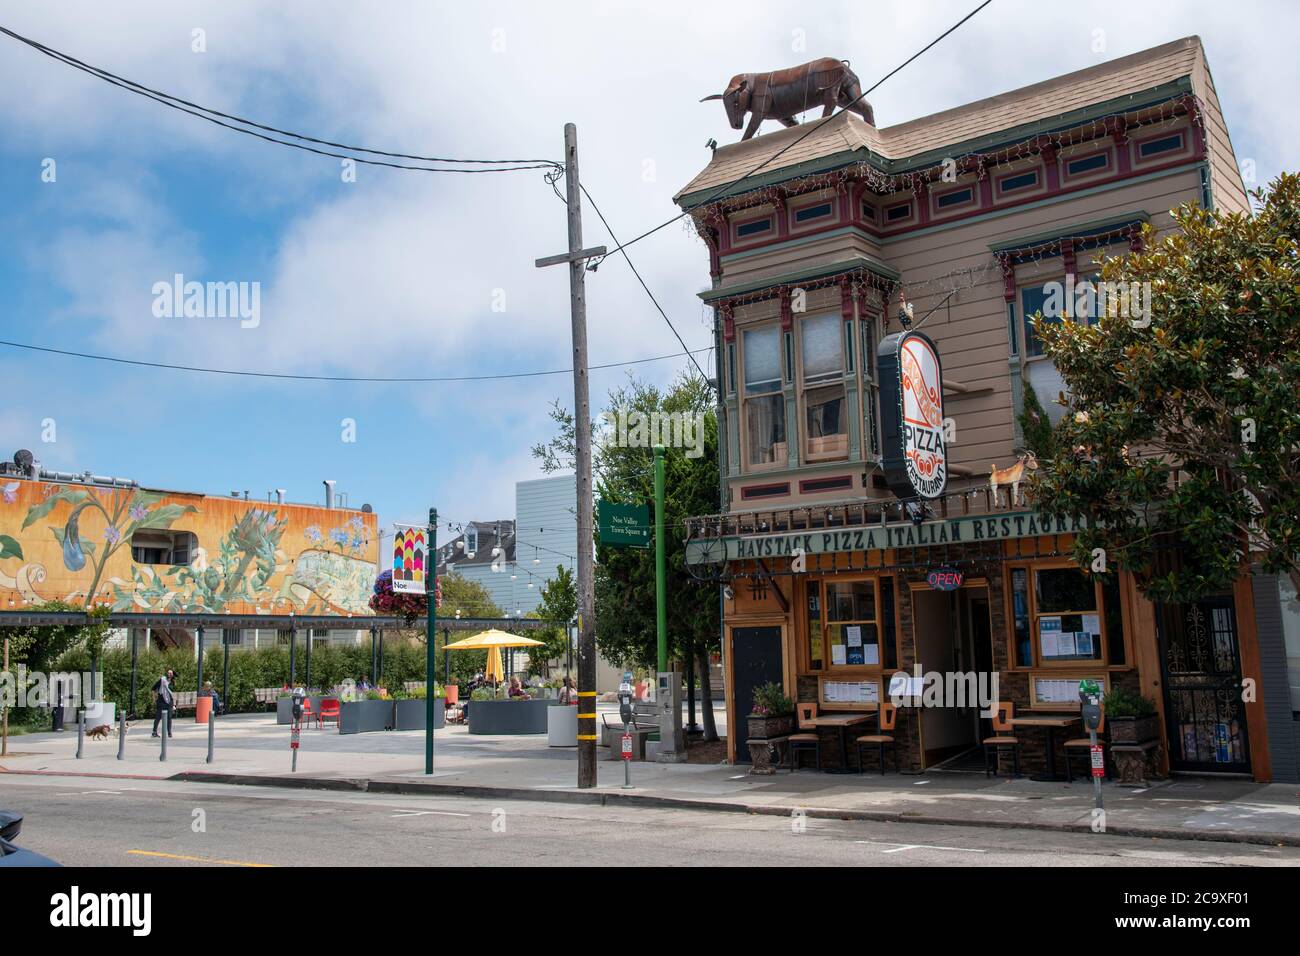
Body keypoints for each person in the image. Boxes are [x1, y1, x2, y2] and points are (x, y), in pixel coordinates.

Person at [151, 671, 175, 737]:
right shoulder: (162, 680)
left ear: (172, 675)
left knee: (169, 717)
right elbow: (153, 688)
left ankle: (169, 732)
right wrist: (154, 698)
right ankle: (154, 732)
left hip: (169, 702)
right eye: (168, 673)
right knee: (158, 717)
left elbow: (171, 692)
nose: (169, 674)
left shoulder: (172, 682)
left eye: (170, 673)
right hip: (161, 701)